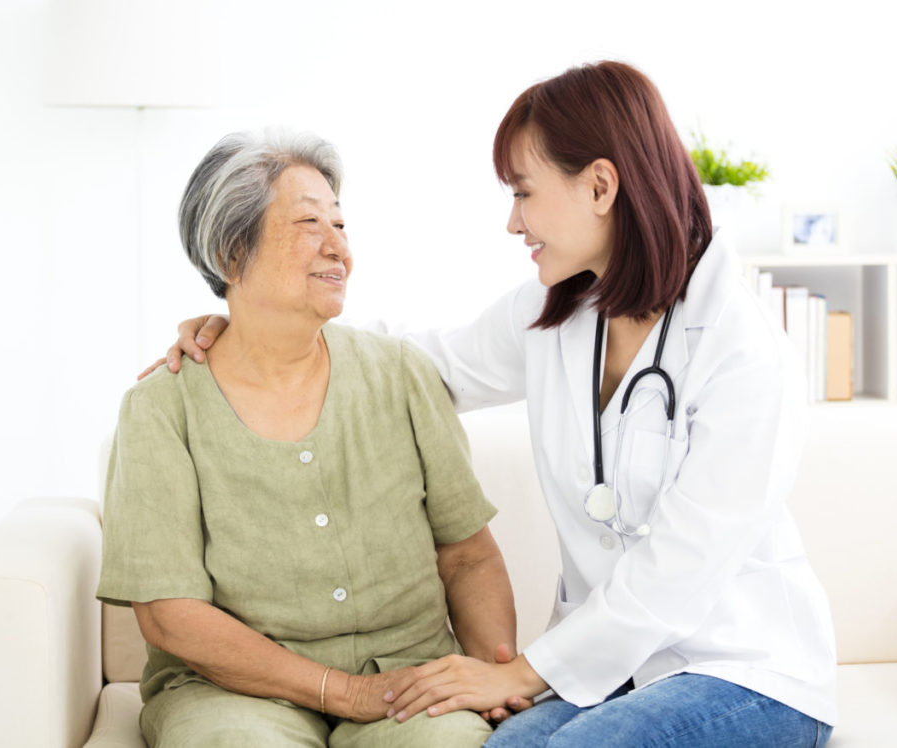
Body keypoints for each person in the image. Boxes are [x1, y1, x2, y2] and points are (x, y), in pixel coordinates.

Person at [153, 62, 837, 747]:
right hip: (615, 672)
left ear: (599, 185)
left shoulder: (744, 351)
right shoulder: (556, 314)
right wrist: (252, 335)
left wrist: (522, 672)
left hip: (742, 673)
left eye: (524, 193)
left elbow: (679, 573)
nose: (513, 222)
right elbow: (414, 367)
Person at [100, 129, 515, 747]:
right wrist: (344, 692)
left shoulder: (400, 374)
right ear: (230, 254)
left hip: (409, 680)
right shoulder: (161, 407)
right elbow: (169, 616)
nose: (337, 247)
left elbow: (469, 555)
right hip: (229, 695)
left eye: (341, 225)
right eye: (308, 222)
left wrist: (495, 674)